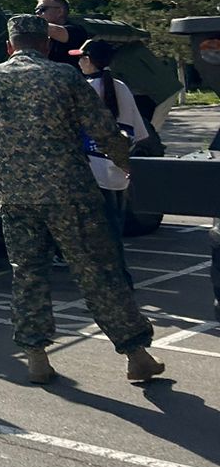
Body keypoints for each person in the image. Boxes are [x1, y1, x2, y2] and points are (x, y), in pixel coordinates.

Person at [0, 15, 167, 385]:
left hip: (16, 195)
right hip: (70, 192)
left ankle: (36, 357)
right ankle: (136, 355)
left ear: (10, 46)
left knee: (28, 275)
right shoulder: (65, 76)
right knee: (97, 272)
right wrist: (129, 167)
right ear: (45, 44)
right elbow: (103, 128)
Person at [73, 38, 150, 286]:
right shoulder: (120, 87)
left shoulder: (84, 90)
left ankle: (111, 280)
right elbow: (139, 132)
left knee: (97, 231)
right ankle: (119, 275)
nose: (78, 61)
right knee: (114, 227)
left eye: (81, 57)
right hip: (118, 168)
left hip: (92, 170)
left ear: (89, 60)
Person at [35, 0, 89, 66]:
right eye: (36, 10)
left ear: (60, 11)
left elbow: (56, 30)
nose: (37, 14)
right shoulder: (44, 33)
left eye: (42, 9)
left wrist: (29, 22)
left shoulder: (76, 30)